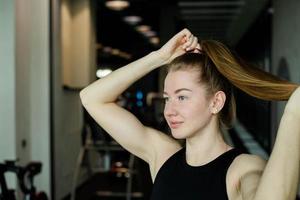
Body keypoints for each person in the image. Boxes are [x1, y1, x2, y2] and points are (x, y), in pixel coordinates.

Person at [80, 28, 300, 199]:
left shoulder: (242, 169)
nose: (169, 110)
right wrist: (159, 57)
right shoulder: (162, 155)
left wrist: (293, 113)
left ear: (216, 102)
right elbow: (91, 98)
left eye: (182, 97)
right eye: (167, 98)